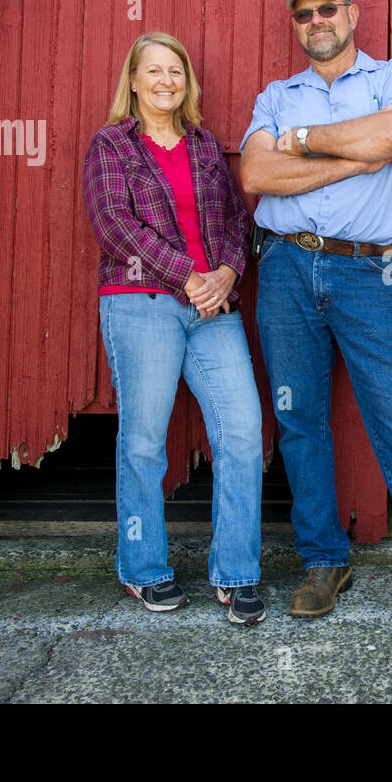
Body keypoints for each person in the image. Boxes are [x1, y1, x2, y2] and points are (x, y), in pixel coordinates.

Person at [240, 0, 392, 640]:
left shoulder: (391, 77)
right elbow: (257, 175)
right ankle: (324, 562)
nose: (317, 19)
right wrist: (352, 155)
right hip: (284, 264)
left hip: (360, 271)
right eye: (304, 12)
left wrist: (305, 142)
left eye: (328, 7)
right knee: (299, 420)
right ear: (297, 23)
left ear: (350, 13)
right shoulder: (276, 95)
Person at [82, 32, 266, 624]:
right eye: (154, 71)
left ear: (187, 82)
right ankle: (143, 568)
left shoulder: (207, 147)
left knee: (241, 432)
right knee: (143, 440)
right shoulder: (112, 145)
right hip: (142, 303)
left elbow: (238, 221)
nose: (166, 81)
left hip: (213, 308)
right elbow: (114, 224)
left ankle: (236, 572)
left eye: (176, 72)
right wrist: (189, 275)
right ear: (132, 82)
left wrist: (227, 271)